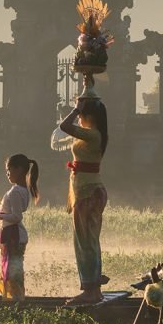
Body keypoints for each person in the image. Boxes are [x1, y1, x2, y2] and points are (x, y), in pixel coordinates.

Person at [60, 97, 109, 305]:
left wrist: (74, 110)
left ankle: (90, 290)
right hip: (86, 192)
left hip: (88, 194)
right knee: (88, 242)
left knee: (85, 243)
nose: (79, 118)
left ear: (90, 116)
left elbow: (64, 126)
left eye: (81, 114)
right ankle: (93, 288)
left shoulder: (93, 135)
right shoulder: (91, 134)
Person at [0, 154, 39, 300]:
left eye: (9, 170)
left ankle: (15, 300)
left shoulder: (16, 191)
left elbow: (16, 217)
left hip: (13, 235)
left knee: (13, 272)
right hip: (12, 234)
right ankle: (13, 299)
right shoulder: (22, 189)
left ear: (19, 170)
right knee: (13, 271)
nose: (7, 174)